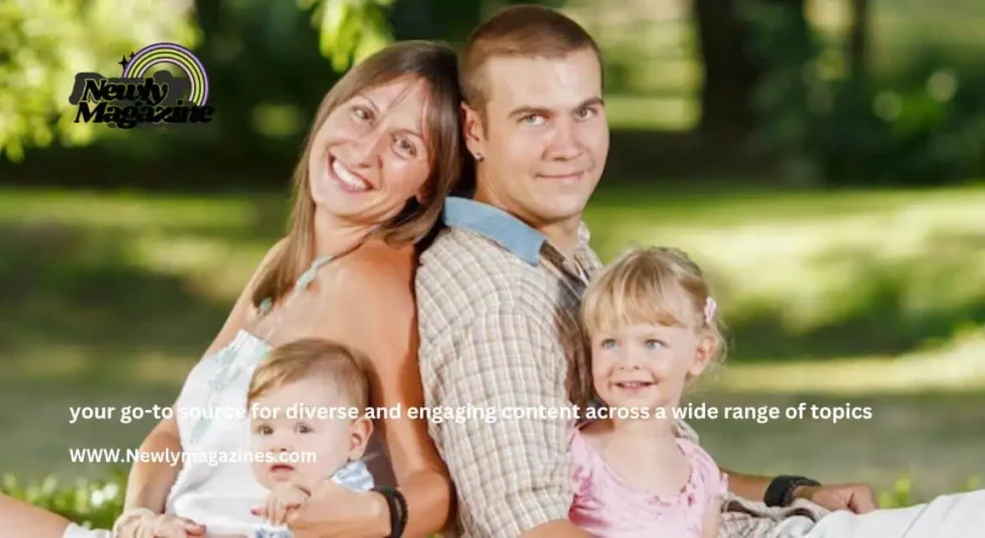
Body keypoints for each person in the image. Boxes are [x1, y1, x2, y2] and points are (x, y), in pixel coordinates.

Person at [415, 5, 985, 538]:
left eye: (585, 111)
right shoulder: (498, 298)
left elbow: (652, 467)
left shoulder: (550, 258)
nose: (569, 145)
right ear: (475, 132)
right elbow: (527, 524)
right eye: (534, 118)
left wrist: (792, 491)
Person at [0, 39, 465, 538]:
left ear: (427, 184)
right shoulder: (288, 259)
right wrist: (138, 515)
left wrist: (367, 517)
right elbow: (172, 432)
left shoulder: (372, 281)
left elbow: (431, 489)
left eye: (405, 145)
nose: (366, 150)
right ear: (329, 111)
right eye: (362, 114)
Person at [123, 338, 377, 537]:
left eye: (303, 428)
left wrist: (306, 509)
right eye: (266, 430)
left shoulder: (347, 488)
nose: (279, 445)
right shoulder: (255, 496)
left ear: (354, 439)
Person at [568, 246, 729, 538]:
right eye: (610, 343)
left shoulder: (702, 474)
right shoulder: (578, 457)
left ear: (699, 354)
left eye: (652, 343)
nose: (628, 361)